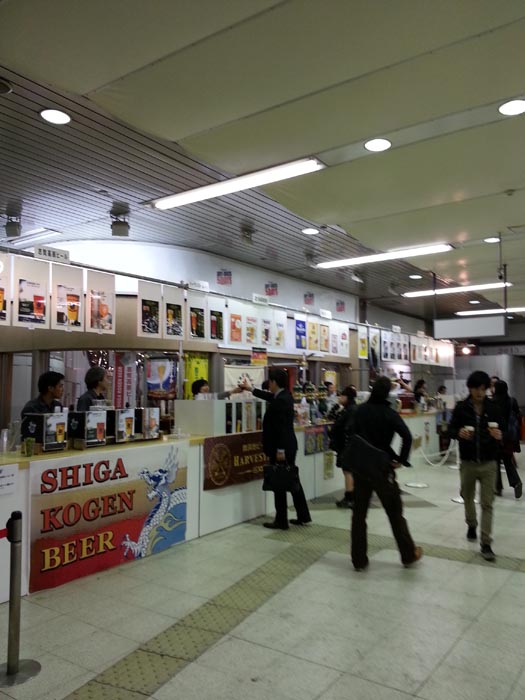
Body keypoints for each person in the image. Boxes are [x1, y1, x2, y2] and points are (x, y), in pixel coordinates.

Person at [350, 376, 422, 571]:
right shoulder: (389, 413)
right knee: (394, 513)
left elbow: (351, 433)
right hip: (383, 468)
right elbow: (406, 436)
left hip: (361, 468)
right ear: (388, 393)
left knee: (359, 515)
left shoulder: (360, 410)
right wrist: (401, 460)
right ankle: (408, 554)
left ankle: (359, 560)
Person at [239, 368, 311, 530]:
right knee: (292, 479)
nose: (269, 385)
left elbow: (281, 428)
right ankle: (303, 515)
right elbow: (268, 396)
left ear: (274, 382)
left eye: (270, 382)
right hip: (288, 445)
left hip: (282, 448)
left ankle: (281, 520)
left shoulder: (281, 400)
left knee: (280, 482)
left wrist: (280, 450)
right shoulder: (284, 396)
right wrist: (250, 389)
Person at [448, 371, 504, 561]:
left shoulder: (493, 407)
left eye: (483, 389)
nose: (480, 393)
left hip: (489, 462)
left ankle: (486, 543)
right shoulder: (462, 408)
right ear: (470, 389)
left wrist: (500, 435)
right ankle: (471, 523)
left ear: (486, 389)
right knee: (467, 496)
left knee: (487, 503)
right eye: (476, 389)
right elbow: (450, 429)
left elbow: (504, 428)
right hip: (468, 462)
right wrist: (459, 433)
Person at [492, 380, 522, 499]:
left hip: (496, 435)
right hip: (508, 437)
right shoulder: (512, 401)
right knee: (508, 461)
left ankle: (498, 488)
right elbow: (518, 415)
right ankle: (516, 482)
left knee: (495, 462)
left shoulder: (493, 401)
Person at [329, 386, 357, 508]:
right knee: (350, 471)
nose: (339, 398)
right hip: (351, 445)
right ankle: (352, 496)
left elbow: (341, 426)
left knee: (347, 471)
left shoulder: (349, 410)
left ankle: (349, 497)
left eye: (341, 396)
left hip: (346, 445)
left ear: (346, 397)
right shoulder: (352, 408)